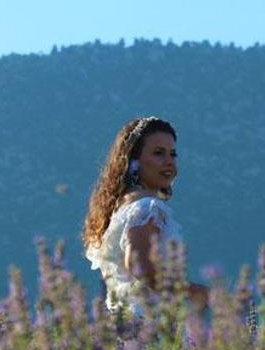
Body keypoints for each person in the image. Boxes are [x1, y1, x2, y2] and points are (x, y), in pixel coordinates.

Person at [82, 116, 208, 316]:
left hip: (124, 321)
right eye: (158, 153)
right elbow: (139, 265)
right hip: (147, 324)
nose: (169, 162)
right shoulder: (146, 208)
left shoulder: (121, 207)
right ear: (133, 160)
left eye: (173, 154)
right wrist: (198, 293)